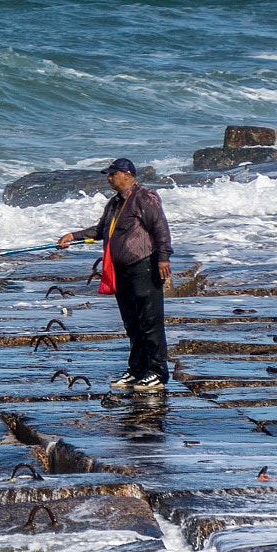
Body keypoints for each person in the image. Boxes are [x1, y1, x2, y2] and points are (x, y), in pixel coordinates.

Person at [57, 158, 172, 394]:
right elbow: (101, 230)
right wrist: (73, 235)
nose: (109, 178)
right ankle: (138, 369)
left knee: (150, 321)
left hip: (145, 265)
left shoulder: (144, 197)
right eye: (108, 175)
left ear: (127, 174)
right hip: (120, 271)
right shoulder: (114, 203)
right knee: (132, 323)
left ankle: (158, 372)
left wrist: (163, 258)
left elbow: (160, 228)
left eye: (112, 174)